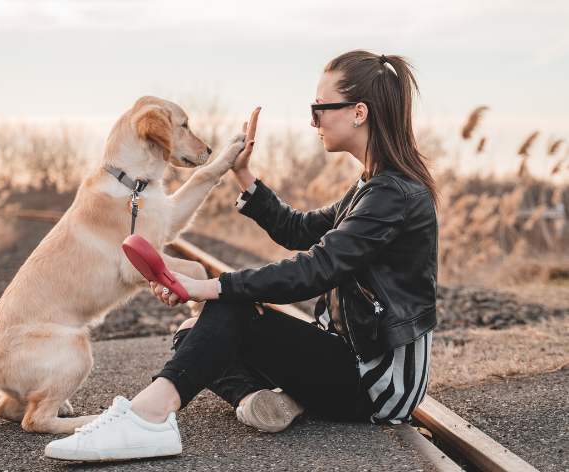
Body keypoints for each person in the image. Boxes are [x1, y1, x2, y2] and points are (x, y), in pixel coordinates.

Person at [44, 50, 440, 463]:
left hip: (377, 381)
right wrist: (243, 174)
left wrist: (211, 285)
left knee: (226, 313)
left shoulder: (392, 194)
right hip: (348, 357)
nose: (312, 121)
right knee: (193, 334)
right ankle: (263, 400)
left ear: (358, 112)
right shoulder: (371, 187)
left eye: (319, 109)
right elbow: (298, 230)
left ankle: (148, 417)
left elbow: (317, 268)